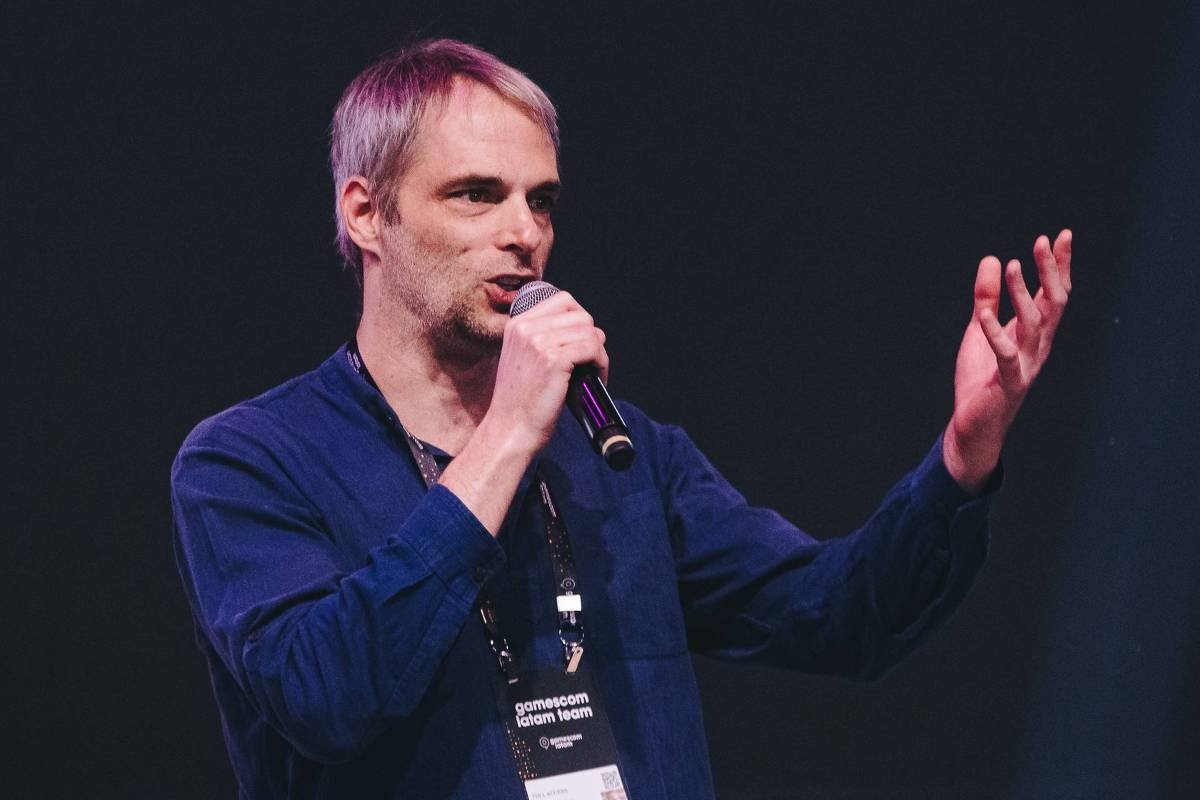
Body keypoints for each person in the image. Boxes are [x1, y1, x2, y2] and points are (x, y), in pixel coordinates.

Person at [171, 38, 1072, 799]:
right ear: (367, 214)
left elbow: (840, 617)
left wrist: (965, 454)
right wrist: (510, 433)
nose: (523, 230)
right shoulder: (248, 463)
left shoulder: (618, 453)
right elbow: (328, 696)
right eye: (476, 194)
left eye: (542, 199)